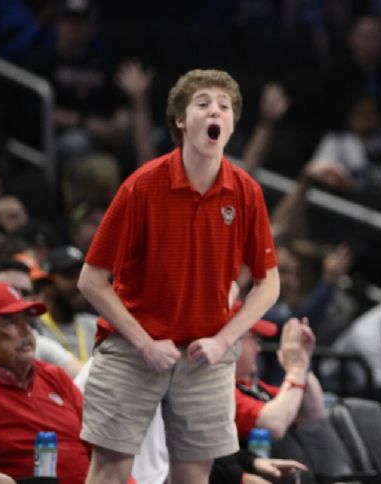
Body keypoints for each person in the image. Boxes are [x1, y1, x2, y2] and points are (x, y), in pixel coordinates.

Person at [77, 69, 280, 484]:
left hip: (204, 354)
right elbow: (91, 279)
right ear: (181, 121)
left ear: (232, 124)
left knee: (192, 477)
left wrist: (225, 339)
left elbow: (268, 283)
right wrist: (144, 343)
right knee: (110, 470)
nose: (215, 111)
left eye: (224, 106)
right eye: (203, 103)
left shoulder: (246, 192)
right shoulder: (141, 187)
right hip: (134, 347)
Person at [0, 282, 90, 483]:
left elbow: (99, 445)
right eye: (10, 322)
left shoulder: (54, 376)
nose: (27, 330)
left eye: (27, 320)